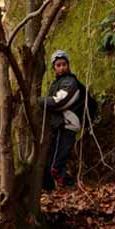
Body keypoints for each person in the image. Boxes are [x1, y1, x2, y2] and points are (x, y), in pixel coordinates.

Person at [41, 50, 89, 189]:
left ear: (68, 65)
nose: (61, 67)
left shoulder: (69, 82)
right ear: (54, 67)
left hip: (67, 124)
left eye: (63, 64)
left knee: (57, 161)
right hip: (59, 125)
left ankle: (68, 186)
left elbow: (59, 101)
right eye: (58, 65)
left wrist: (39, 101)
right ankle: (62, 184)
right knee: (55, 160)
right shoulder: (57, 83)